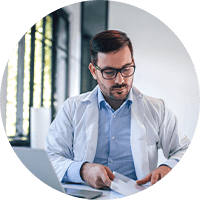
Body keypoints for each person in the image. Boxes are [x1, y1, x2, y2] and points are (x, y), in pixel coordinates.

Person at [46, 30, 190, 189]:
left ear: (133, 63)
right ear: (94, 71)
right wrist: (83, 170)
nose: (120, 80)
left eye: (126, 69)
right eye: (109, 72)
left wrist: (168, 167)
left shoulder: (157, 109)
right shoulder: (72, 108)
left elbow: (182, 149)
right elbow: (51, 157)